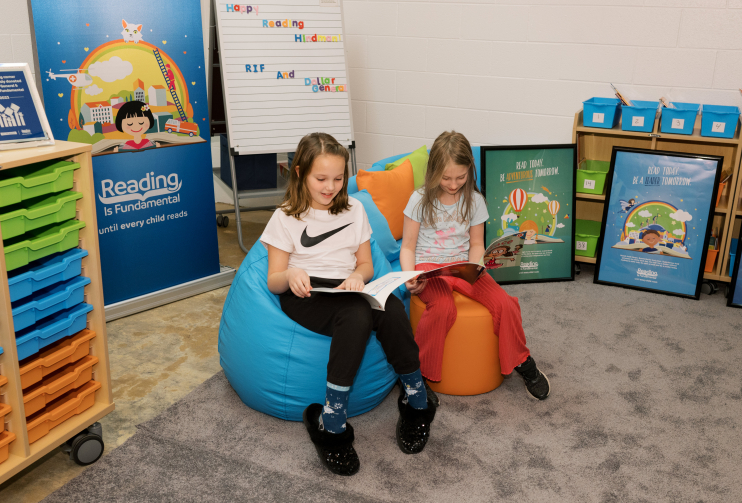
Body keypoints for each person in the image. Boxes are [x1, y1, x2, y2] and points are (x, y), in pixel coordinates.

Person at [261, 133, 436, 477]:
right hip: (305, 293)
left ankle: (417, 400)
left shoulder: (355, 209)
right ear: (299, 173)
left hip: (347, 287)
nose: (330, 187)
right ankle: (333, 422)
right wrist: (292, 273)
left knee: (391, 307)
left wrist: (359, 276)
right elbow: (273, 280)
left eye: (338, 179)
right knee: (357, 315)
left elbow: (367, 265)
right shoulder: (284, 217)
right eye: (321, 179)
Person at [401, 131, 550, 401]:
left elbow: (477, 243)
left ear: (470, 169)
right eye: (445, 178)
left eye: (460, 177)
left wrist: (476, 265)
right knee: (443, 307)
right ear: (433, 171)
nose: (453, 184)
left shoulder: (475, 200)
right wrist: (410, 276)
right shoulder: (419, 199)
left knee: (504, 303)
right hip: (429, 267)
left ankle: (522, 361)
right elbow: (408, 245)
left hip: (463, 265)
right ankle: (419, 377)